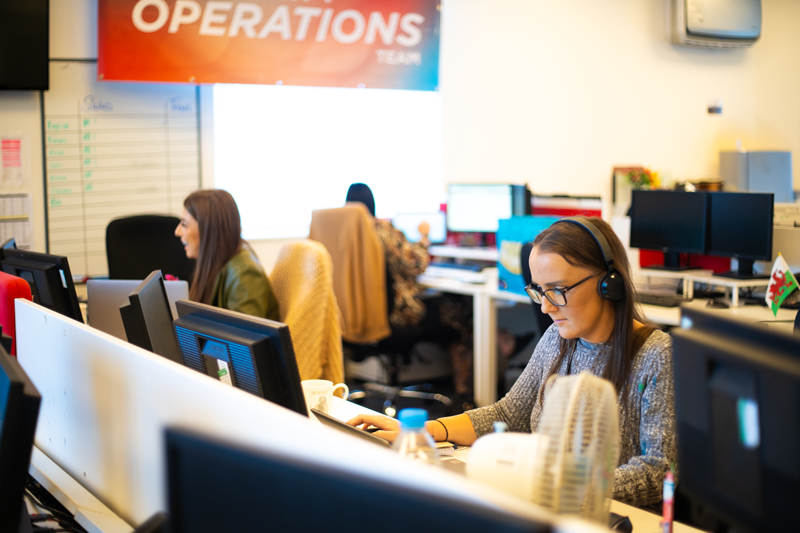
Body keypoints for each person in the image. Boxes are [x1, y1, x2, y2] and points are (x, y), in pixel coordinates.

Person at [348, 216, 675, 508]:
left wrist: (562, 485)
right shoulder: (558, 339)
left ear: (609, 283)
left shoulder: (656, 355)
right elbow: (508, 414)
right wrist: (421, 432)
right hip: (548, 507)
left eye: (557, 290)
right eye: (539, 291)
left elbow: (657, 472)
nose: (545, 307)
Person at [345, 184, 474, 402]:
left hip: (353, 317)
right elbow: (414, 264)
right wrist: (424, 238)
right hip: (395, 317)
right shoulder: (381, 229)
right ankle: (463, 389)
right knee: (459, 308)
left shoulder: (342, 234)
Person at [175, 189, 280, 320]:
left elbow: (243, 332)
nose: (177, 231)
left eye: (184, 224)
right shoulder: (216, 261)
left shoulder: (244, 273)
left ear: (209, 228)